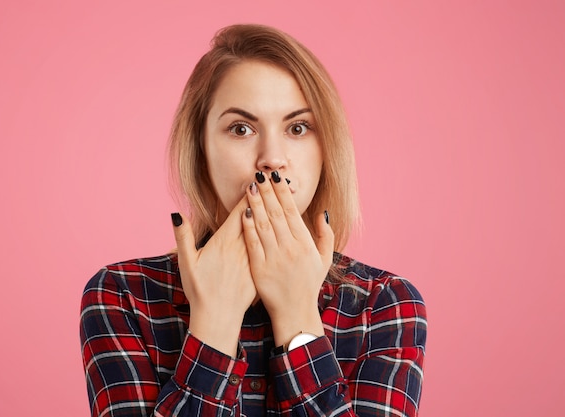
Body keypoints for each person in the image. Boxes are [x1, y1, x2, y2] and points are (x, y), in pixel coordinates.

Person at [80, 24, 427, 417]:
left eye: (298, 128)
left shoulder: (385, 305)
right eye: (241, 129)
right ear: (201, 152)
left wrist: (298, 318)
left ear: (327, 148)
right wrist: (214, 324)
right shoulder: (123, 297)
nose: (272, 158)